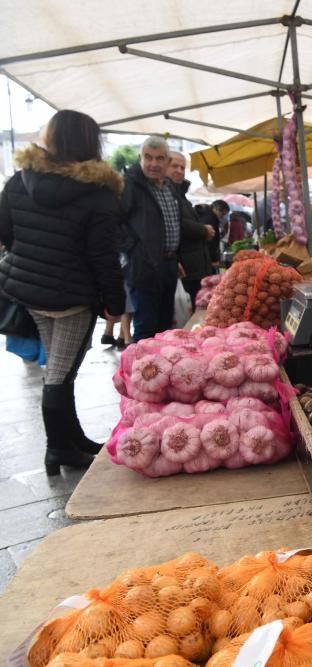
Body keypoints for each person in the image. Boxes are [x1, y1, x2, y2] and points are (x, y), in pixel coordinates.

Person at [0, 109, 126, 473]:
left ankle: (71, 438)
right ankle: (58, 449)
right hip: (72, 296)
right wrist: (114, 305)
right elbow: (103, 255)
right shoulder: (98, 194)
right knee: (59, 371)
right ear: (90, 143)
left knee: (60, 368)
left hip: (32, 291)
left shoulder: (19, 181)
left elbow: (5, 232)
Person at [121, 136, 214, 341]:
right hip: (144, 266)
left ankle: (158, 370)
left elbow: (171, 224)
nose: (154, 163)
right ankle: (141, 369)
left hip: (169, 263)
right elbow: (115, 224)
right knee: (146, 326)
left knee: (164, 325)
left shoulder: (169, 187)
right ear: (140, 158)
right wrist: (134, 252)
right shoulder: (131, 186)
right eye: (148, 157)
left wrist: (175, 256)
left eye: (160, 158)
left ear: (166, 161)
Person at [167, 151, 216, 308]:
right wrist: (204, 230)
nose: (179, 171)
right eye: (174, 166)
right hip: (185, 266)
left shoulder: (180, 194)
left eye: (182, 167)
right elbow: (178, 223)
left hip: (194, 265)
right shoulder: (167, 193)